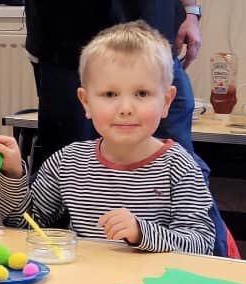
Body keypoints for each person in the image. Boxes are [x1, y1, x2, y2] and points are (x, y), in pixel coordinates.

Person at [24, 0, 231, 257]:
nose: (125, 108)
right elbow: (26, 224)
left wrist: (141, 233)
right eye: (110, 94)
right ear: (85, 102)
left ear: (167, 101)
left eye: (141, 94)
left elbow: (201, 244)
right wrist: (11, 176)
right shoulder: (67, 163)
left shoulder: (179, 167)